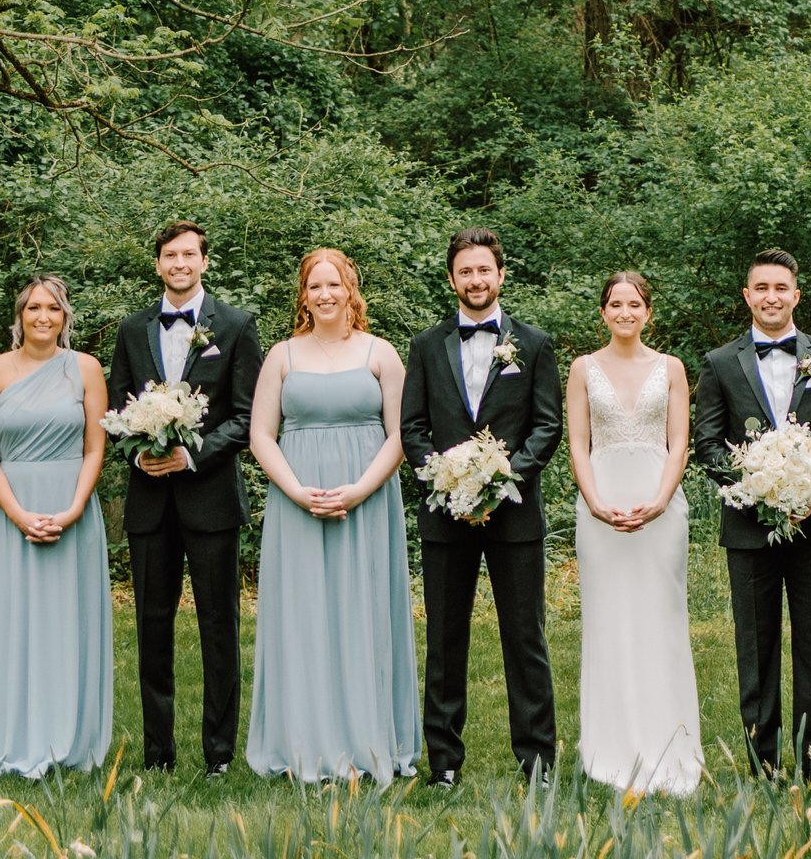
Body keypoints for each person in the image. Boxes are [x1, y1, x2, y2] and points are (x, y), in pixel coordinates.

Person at [246, 249, 419, 783]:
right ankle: (304, 741)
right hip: (297, 501)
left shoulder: (381, 353)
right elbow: (259, 435)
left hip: (365, 500)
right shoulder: (282, 357)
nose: (324, 295)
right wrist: (298, 492)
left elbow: (401, 435)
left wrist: (360, 490)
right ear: (303, 296)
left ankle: (368, 741)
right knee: (303, 616)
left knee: (363, 612)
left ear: (351, 291)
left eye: (334, 285)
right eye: (314, 286)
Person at [399, 227, 564, 786]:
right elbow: (413, 429)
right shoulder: (425, 346)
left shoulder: (535, 344)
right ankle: (443, 762)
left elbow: (546, 427)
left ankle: (538, 760)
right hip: (446, 517)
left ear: (500, 274)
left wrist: (499, 481)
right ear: (452, 279)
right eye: (465, 272)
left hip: (514, 516)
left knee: (526, 638)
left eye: (484, 270)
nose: (476, 280)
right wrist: (450, 484)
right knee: (445, 639)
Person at [694, 248, 811, 781]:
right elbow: (708, 444)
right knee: (757, 644)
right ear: (748, 295)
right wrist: (756, 486)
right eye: (761, 288)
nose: (771, 297)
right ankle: (763, 762)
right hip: (749, 527)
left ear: (796, 295)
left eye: (780, 288)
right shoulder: (720, 363)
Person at [108, 220, 263, 775]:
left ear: (203, 262)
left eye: (189, 255)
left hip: (211, 499)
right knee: (152, 626)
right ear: (158, 264)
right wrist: (139, 450)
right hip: (150, 503)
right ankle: (158, 754)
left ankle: (219, 754)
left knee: (219, 625)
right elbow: (115, 410)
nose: (179, 263)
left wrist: (191, 454)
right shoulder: (132, 329)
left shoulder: (238, 326)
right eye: (170, 255)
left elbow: (249, 417)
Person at [567, 269, 702, 794]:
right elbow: (579, 443)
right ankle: (608, 748)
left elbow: (678, 442)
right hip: (601, 503)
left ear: (649, 311)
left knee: (660, 619)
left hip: (658, 504)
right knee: (608, 621)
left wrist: (662, 500)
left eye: (634, 304)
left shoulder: (671, 368)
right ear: (603, 312)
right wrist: (595, 501)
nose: (625, 312)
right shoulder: (582, 368)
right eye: (615, 304)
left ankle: (669, 746)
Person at [0, 276, 112, 776]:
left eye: (53, 309)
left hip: (72, 504)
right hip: (15, 509)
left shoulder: (87, 370)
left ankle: (71, 741)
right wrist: (16, 513)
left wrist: (75, 508)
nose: (43, 317)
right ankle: (14, 739)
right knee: (17, 624)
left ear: (65, 317)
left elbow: (96, 446)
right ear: (20, 315)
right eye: (34, 308)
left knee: (69, 623)